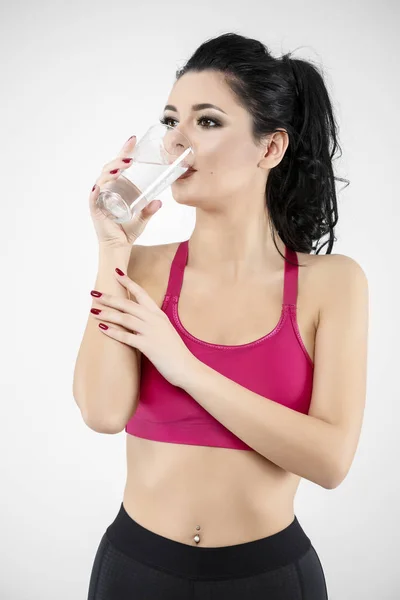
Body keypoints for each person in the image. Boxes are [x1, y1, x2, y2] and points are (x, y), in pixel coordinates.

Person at [74, 32, 369, 599]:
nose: (175, 142)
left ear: (269, 148)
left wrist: (183, 366)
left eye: (207, 122)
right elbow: (102, 412)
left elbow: (331, 462)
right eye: (169, 121)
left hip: (272, 578)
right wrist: (113, 248)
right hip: (134, 571)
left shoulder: (333, 284)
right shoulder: (137, 268)